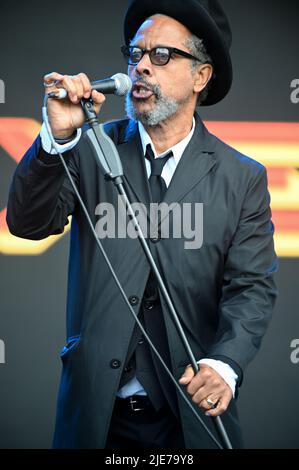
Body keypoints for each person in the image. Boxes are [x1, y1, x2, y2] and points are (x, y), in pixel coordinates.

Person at [6, 0, 277, 449]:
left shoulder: (242, 177)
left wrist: (224, 365)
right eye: (135, 55)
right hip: (95, 416)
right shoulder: (89, 145)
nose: (141, 68)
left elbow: (251, 288)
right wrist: (56, 139)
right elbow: (28, 224)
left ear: (201, 77)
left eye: (162, 56)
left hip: (190, 417)